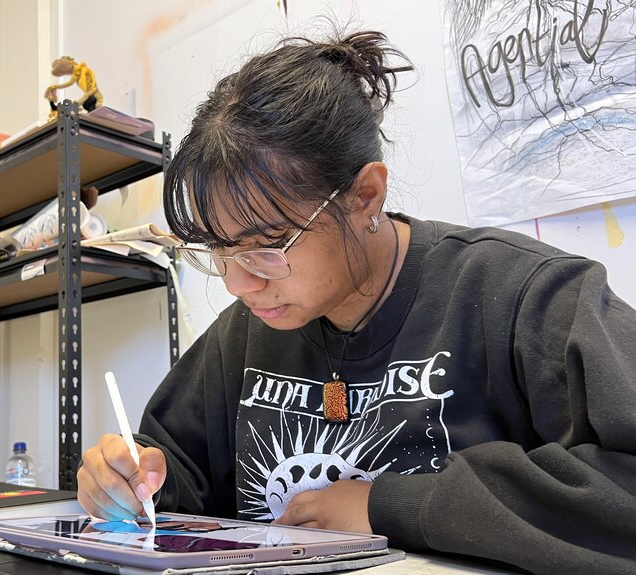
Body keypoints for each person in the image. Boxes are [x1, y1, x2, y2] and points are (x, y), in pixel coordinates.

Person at [77, 26, 636, 575]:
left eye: (268, 247)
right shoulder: (245, 332)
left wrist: (389, 505)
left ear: (365, 196)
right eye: (219, 251)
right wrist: (133, 477)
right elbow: (177, 465)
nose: (237, 283)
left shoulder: (523, 296)